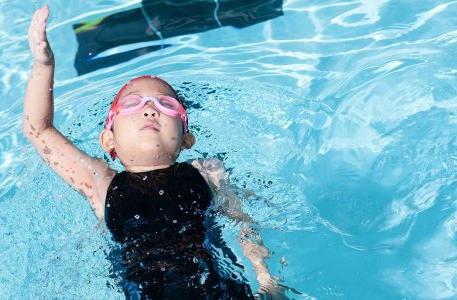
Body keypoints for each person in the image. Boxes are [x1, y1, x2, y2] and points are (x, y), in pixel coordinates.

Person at [23, 5, 286, 299]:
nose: (149, 110)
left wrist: (265, 278)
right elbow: (39, 129)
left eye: (166, 105)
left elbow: (244, 225)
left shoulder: (207, 172)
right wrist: (44, 65)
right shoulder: (100, 182)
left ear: (186, 139)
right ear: (109, 140)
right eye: (133, 104)